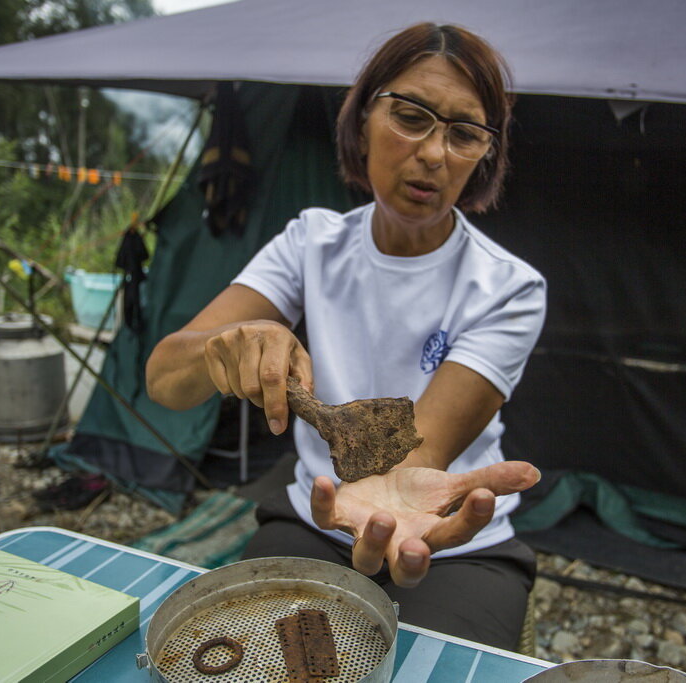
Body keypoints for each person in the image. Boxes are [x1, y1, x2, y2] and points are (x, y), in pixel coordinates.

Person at [146, 22, 546, 649]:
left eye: (465, 134)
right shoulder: (312, 243)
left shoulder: (508, 287)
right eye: (411, 117)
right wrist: (226, 346)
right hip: (316, 518)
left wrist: (388, 510)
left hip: (451, 540)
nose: (435, 154)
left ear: (484, 155)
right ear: (362, 120)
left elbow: (423, 447)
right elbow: (166, 378)